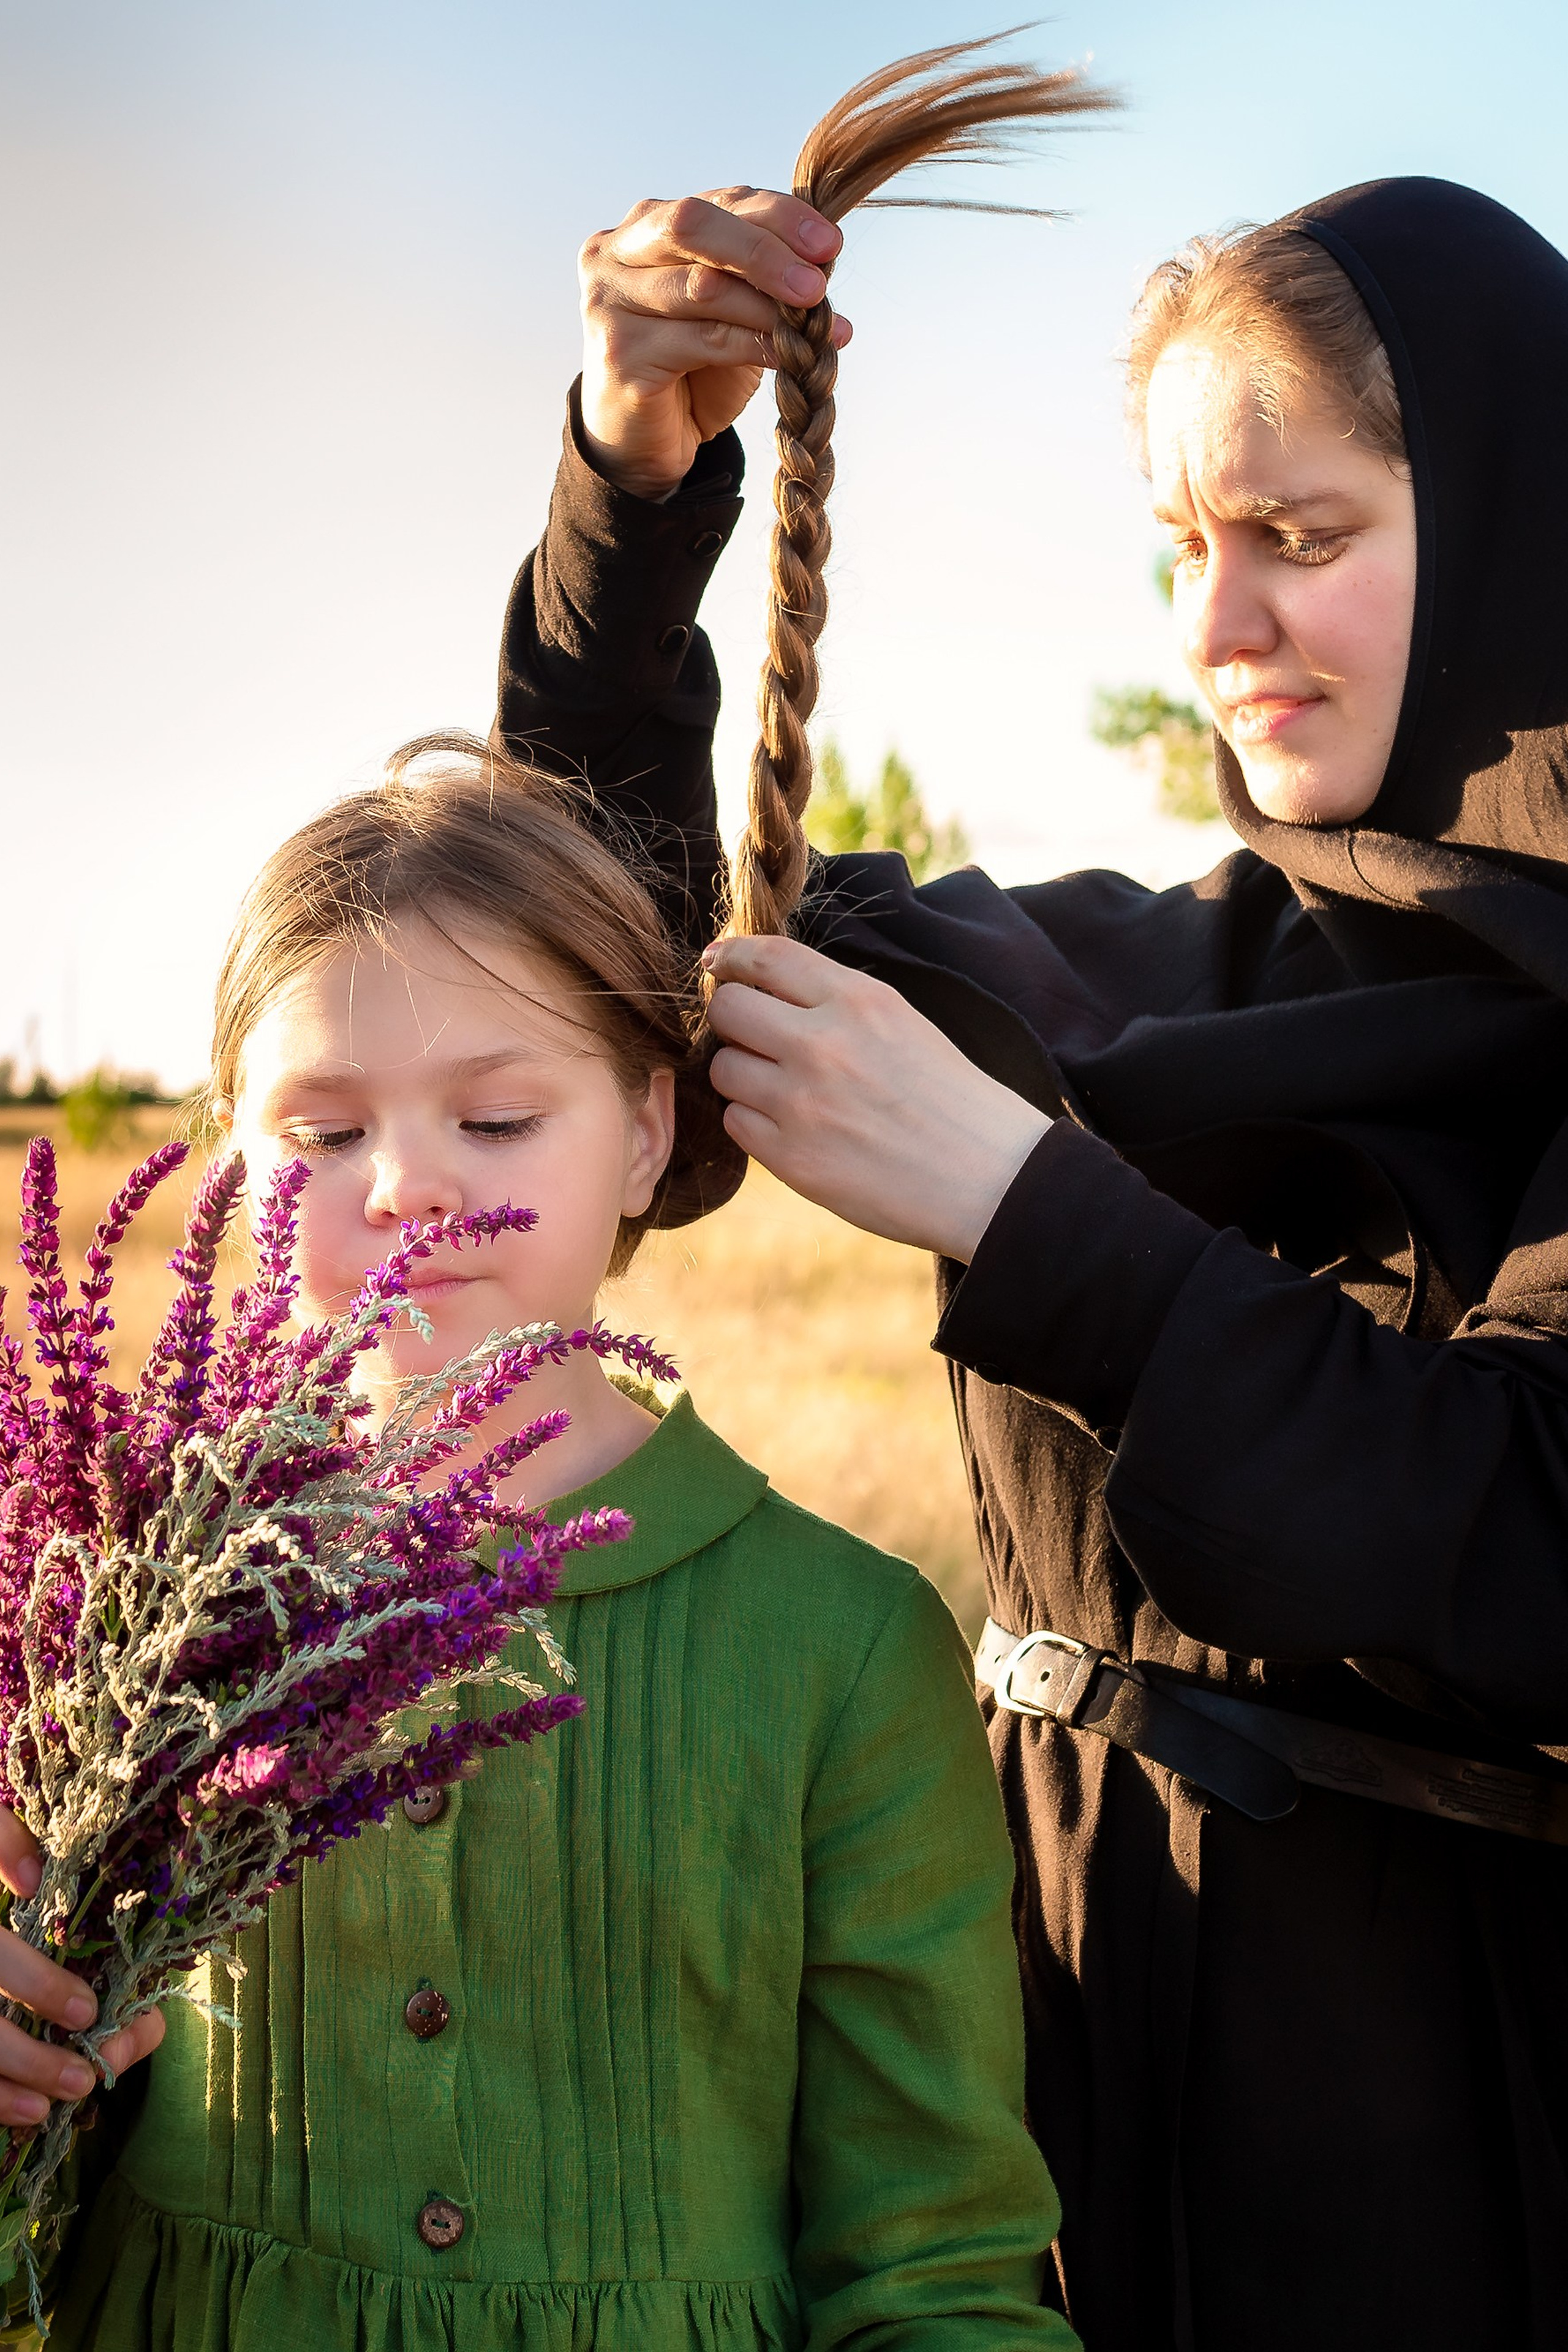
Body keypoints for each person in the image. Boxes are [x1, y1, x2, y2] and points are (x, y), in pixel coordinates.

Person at [491, 170, 1568, 2351]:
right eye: (1189, 547)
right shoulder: (1117, 984)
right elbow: (601, 1006)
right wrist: (632, 484)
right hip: (1005, 2110)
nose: (1216, 630)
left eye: (1307, 535)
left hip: (1463, 2163)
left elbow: (1525, 1534)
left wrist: (1024, 1216)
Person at [0, 736, 1071, 2350]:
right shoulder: (98, 1591)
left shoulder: (845, 1645)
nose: (411, 1188)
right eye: (321, 1132)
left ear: (647, 1130)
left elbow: (934, 2267)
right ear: (229, 1150)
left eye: (498, 1118)